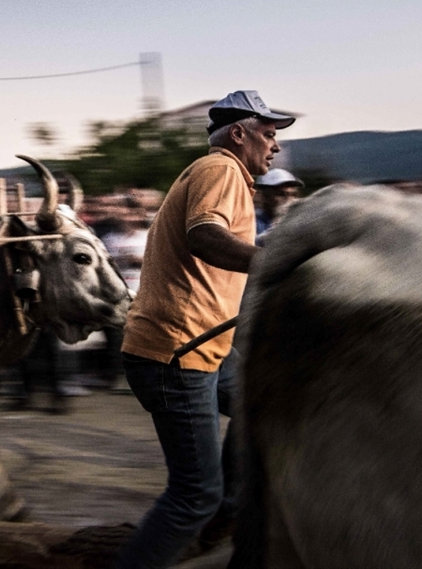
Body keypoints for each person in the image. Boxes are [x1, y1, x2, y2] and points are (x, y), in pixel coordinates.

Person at [116, 90, 295, 569]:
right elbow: (203, 235)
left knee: (261, 401)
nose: (275, 147)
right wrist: (273, 260)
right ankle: (203, 520)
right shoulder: (221, 169)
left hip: (204, 348)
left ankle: (223, 522)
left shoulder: (224, 174)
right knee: (192, 494)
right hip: (179, 354)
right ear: (240, 134)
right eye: (270, 135)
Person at [254, 168, 303, 246]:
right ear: (265, 197)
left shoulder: (299, 221)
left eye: (294, 195)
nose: (290, 200)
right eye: (281, 194)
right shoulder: (252, 221)